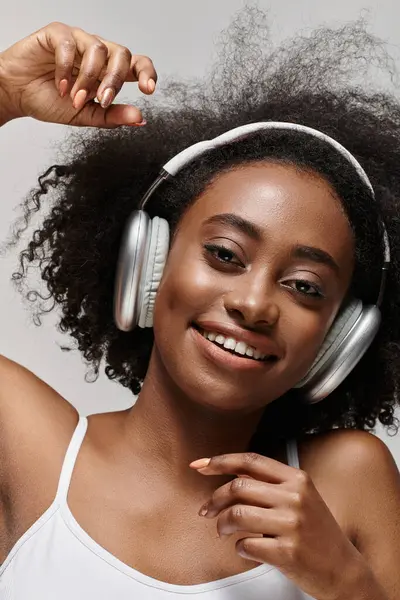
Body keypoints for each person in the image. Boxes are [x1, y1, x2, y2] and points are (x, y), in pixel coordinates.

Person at [0, 10, 399, 600]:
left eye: (306, 287)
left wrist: (344, 581)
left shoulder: (348, 479)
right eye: (225, 254)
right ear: (148, 264)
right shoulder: (27, 444)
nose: (255, 304)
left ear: (340, 340)